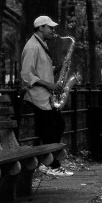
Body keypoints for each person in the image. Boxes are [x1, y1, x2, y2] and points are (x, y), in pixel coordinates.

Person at [21, 16, 74, 177]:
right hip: (37, 97)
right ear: (41, 28)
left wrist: (57, 69)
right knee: (50, 130)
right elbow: (26, 75)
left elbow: (39, 69)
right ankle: (51, 164)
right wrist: (49, 85)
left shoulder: (41, 45)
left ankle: (50, 163)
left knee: (58, 126)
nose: (53, 30)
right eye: (50, 27)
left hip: (46, 97)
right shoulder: (32, 47)